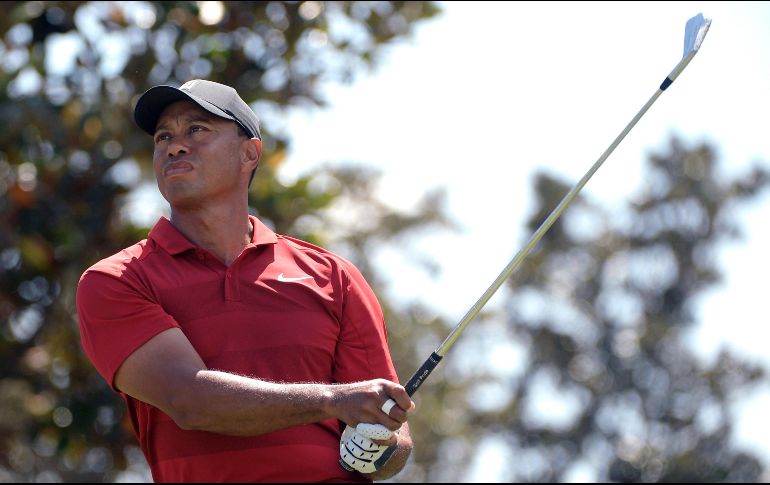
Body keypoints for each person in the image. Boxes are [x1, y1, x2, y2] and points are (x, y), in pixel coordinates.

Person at [76, 79, 415, 482]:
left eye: (197, 129)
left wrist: (380, 444)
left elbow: (395, 446)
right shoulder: (117, 280)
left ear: (248, 153)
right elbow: (190, 400)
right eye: (163, 136)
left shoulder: (334, 277)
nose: (174, 146)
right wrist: (332, 400)